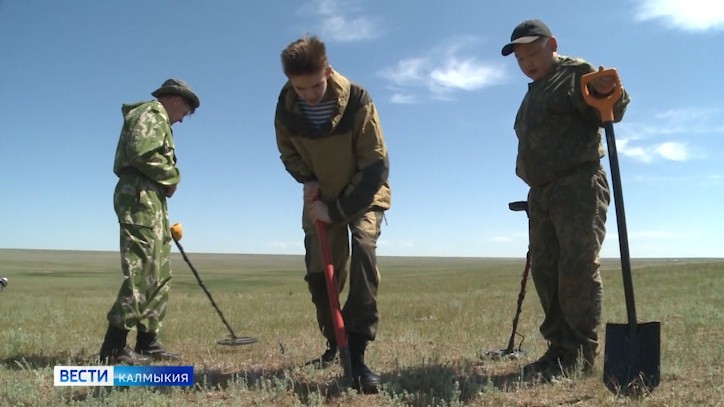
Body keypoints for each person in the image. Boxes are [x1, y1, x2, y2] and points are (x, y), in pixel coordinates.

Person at [501, 19, 630, 379]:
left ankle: (580, 355)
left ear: (551, 44)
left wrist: (610, 91)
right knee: (546, 271)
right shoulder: (534, 92)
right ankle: (559, 351)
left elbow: (610, 108)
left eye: (532, 52)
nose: (527, 61)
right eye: (520, 57)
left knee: (576, 269)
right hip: (540, 193)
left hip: (577, 185)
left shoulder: (573, 73)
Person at [274, 35, 391, 393]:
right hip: (320, 198)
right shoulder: (287, 104)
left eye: (315, 85)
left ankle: (355, 353)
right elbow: (288, 152)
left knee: (363, 252)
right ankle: (333, 341)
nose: (308, 95)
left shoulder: (357, 98)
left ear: (327, 69)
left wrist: (336, 208)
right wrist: (307, 179)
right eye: (300, 88)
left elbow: (375, 166)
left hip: (363, 194)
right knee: (320, 276)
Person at [99, 79, 200, 365]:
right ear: (175, 99)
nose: (183, 119)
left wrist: (165, 184)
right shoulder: (151, 113)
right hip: (139, 196)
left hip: (151, 198)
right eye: (186, 111)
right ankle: (114, 347)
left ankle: (148, 342)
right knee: (142, 270)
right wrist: (172, 176)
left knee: (159, 273)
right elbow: (141, 152)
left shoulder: (158, 120)